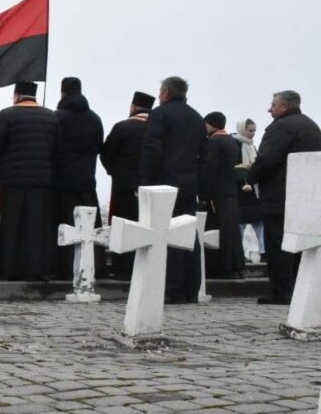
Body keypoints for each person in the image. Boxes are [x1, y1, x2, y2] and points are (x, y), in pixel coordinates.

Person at [245, 90, 321, 304]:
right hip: (305, 197)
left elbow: (267, 159)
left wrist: (250, 177)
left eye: (273, 105)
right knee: (300, 246)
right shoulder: (311, 126)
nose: (270, 109)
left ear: (285, 107)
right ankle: (299, 290)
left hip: (280, 197)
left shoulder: (281, 127)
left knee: (278, 245)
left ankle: (282, 292)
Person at [140, 76, 204, 303]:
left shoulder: (160, 114)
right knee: (189, 235)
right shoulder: (197, 117)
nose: (158, 95)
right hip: (189, 184)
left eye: (160, 91)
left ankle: (173, 289)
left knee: (167, 234)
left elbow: (152, 148)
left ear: (166, 92)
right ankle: (191, 289)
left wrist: (145, 182)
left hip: (165, 183)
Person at [0, 80, 59, 281]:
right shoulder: (51, 117)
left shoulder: (6, 115)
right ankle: (38, 269)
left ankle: (11, 269)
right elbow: (57, 149)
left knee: (12, 227)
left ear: (17, 95)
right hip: (43, 182)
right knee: (38, 227)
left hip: (13, 181)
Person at [54, 77, 104, 279]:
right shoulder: (95, 118)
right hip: (87, 181)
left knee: (65, 225)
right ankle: (96, 266)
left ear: (62, 92)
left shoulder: (57, 117)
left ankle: (65, 268)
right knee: (91, 228)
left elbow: (53, 147)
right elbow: (99, 146)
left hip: (62, 181)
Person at [101, 91, 155, 279]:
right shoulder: (157, 129)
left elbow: (106, 154)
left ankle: (123, 268)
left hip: (123, 187)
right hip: (151, 188)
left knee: (122, 226)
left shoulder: (122, 127)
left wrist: (113, 171)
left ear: (133, 107)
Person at [198, 112, 245, 278]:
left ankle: (220, 267)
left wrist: (203, 195)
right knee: (231, 231)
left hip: (216, 194)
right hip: (230, 192)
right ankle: (235, 265)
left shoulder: (213, 142)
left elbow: (209, 171)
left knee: (218, 231)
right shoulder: (232, 141)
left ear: (210, 124)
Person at [233, 119, 264, 261]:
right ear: (242, 130)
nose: (253, 134)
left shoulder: (252, 146)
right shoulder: (235, 144)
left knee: (259, 224)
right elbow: (234, 167)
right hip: (240, 191)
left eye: (254, 130)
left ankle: (264, 251)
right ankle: (240, 253)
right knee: (240, 226)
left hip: (253, 191)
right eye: (250, 130)